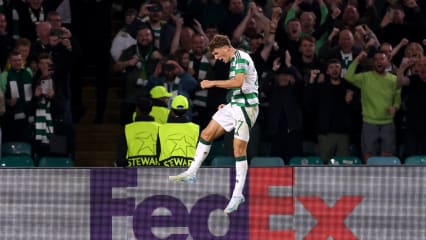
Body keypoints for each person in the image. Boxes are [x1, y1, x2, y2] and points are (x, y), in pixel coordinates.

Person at [169, 34, 259, 214]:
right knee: (206, 134)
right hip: (235, 105)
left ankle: (238, 194)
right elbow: (238, 87)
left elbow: (238, 82)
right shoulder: (234, 60)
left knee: (238, 150)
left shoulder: (240, 57)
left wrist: (212, 83)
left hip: (247, 107)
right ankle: (192, 172)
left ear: (226, 47)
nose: (217, 58)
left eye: (217, 54)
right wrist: (228, 103)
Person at [345, 51, 401, 163]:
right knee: (368, 153)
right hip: (369, 122)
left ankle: (385, 179)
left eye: (382, 59)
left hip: (388, 123)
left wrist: (395, 107)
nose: (379, 61)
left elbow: (397, 100)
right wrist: (358, 59)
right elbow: (348, 76)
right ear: (373, 62)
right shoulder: (365, 77)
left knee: (387, 153)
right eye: (376, 59)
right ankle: (369, 178)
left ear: (387, 61)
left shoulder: (394, 79)